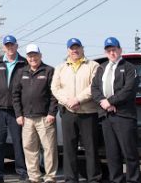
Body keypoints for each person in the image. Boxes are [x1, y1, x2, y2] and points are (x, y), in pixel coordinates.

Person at [51, 38, 101, 183]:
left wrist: (78, 99)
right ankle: (70, 179)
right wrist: (68, 101)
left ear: (82, 48)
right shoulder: (60, 67)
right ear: (68, 50)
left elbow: (94, 87)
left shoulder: (93, 66)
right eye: (72, 48)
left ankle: (94, 179)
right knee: (69, 149)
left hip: (88, 112)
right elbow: (55, 88)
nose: (74, 50)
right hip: (68, 112)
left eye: (77, 47)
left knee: (91, 149)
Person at [91, 37, 141, 183]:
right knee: (112, 153)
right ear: (105, 52)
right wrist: (103, 102)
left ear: (120, 50)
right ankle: (116, 180)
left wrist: (111, 101)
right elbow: (94, 88)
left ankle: (133, 179)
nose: (112, 52)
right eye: (109, 50)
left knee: (129, 152)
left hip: (124, 115)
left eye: (114, 49)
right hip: (106, 116)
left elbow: (129, 90)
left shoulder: (129, 67)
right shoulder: (102, 68)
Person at [0, 35, 28, 183]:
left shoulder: (24, 63)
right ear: (4, 47)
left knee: (19, 142)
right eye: (7, 45)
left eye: (12, 45)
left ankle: (23, 172)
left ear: (17, 46)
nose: (10, 48)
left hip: (16, 111)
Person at [12, 44, 58, 183]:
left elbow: (54, 95)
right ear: (27, 57)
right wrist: (19, 114)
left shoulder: (49, 70)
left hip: (45, 117)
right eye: (30, 56)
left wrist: (51, 113)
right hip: (26, 118)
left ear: (40, 55)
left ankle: (50, 177)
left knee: (49, 148)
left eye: (35, 55)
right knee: (29, 149)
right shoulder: (22, 72)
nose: (33, 58)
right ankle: (34, 177)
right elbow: (15, 95)